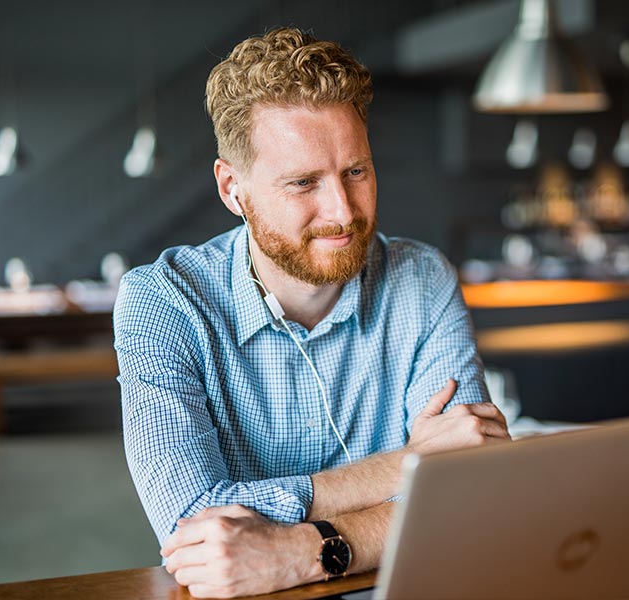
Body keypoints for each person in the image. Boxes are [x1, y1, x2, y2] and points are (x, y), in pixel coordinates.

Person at [113, 27, 510, 599]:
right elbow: (192, 524)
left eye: (357, 171)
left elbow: (470, 494)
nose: (342, 211)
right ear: (233, 190)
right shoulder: (163, 302)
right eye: (303, 183)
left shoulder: (422, 280)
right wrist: (408, 465)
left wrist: (310, 550)